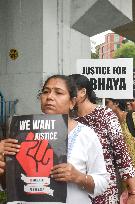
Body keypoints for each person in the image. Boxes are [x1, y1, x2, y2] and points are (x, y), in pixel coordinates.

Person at [3, 75, 109, 204]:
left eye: (58, 92)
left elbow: (102, 183)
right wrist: (4, 166)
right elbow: (8, 185)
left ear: (72, 102)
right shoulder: (20, 132)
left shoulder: (86, 135)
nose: (50, 97)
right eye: (46, 92)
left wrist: (78, 177)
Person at [69, 74, 135, 204]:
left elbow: (122, 154)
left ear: (83, 92)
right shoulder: (68, 120)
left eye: (69, 91)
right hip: (74, 190)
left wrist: (134, 192)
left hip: (104, 191)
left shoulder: (105, 114)